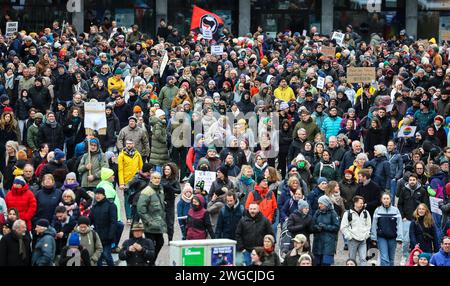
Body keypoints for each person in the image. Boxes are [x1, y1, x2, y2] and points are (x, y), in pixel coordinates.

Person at [397, 172, 430, 263]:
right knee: (406, 240)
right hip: (407, 219)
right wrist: (402, 216)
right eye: (410, 180)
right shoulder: (404, 190)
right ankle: (404, 256)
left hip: (419, 220)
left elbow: (426, 205)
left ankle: (420, 258)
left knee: (419, 240)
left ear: (417, 181)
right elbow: (400, 204)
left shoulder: (422, 190)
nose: (412, 181)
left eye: (413, 180)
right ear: (408, 181)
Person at [136, 172, 166, 265]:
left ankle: (151, 261)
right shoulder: (146, 191)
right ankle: (149, 262)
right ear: (151, 179)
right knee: (151, 246)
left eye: (159, 178)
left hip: (159, 223)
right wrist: (148, 221)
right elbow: (141, 209)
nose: (157, 180)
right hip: (150, 224)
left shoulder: (160, 189)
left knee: (160, 242)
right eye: (155, 178)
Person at [371, 193, 403, 266]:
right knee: (384, 258)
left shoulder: (395, 210)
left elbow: (399, 224)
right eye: (384, 198)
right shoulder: (378, 210)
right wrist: (373, 237)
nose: (386, 200)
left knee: (391, 259)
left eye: (387, 198)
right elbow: (374, 225)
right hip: (381, 237)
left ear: (390, 199)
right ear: (381, 200)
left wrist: (400, 237)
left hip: (392, 237)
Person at [340, 196, 372, 266]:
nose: (362, 205)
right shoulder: (348, 214)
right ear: (355, 203)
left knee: (363, 259)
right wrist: (349, 236)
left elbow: (369, 225)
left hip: (363, 240)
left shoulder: (366, 213)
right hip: (352, 240)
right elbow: (343, 227)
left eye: (363, 203)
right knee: (351, 260)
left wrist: (366, 235)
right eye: (360, 203)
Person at [89, 188, 117, 266]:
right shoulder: (94, 207)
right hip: (97, 236)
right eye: (96, 194)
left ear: (104, 195)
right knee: (99, 258)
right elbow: (89, 220)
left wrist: (111, 235)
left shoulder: (111, 205)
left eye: (99, 194)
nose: (97, 196)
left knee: (106, 255)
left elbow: (113, 222)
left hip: (107, 236)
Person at [118, 139, 143, 223]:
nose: (129, 145)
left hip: (136, 181)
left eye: (130, 143)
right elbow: (120, 170)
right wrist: (121, 183)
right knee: (127, 200)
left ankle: (134, 216)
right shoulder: (121, 155)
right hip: (127, 181)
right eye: (127, 143)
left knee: (136, 200)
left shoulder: (137, 154)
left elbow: (141, 168)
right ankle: (129, 217)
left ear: (133, 144)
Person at [312, 195, 340, 266]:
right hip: (318, 243)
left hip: (329, 244)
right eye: (319, 203)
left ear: (326, 204)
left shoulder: (333, 213)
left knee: (326, 264)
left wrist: (325, 227)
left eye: (321, 203)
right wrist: (316, 227)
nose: (319, 205)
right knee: (316, 263)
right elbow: (312, 224)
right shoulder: (317, 212)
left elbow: (336, 227)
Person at [161, 162, 181, 241]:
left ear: (171, 170)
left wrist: (170, 188)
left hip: (170, 203)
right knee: (160, 221)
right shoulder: (161, 179)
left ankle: (170, 239)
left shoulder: (174, 180)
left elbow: (179, 190)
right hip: (160, 202)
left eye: (168, 169)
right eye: (165, 169)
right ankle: (159, 239)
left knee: (170, 223)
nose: (166, 170)